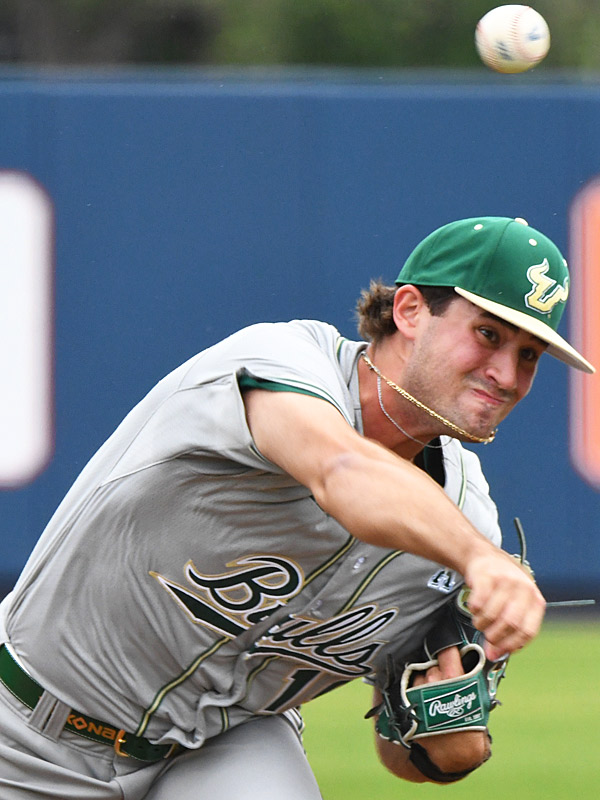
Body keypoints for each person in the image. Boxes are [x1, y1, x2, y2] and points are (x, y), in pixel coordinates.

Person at [0, 216, 593, 799]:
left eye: (530, 354)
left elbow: (403, 753)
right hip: (26, 727)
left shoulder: (466, 515)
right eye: (489, 334)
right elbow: (343, 471)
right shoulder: (282, 361)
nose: (507, 374)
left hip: (223, 745)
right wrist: (479, 559)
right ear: (410, 310)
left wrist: (447, 743)